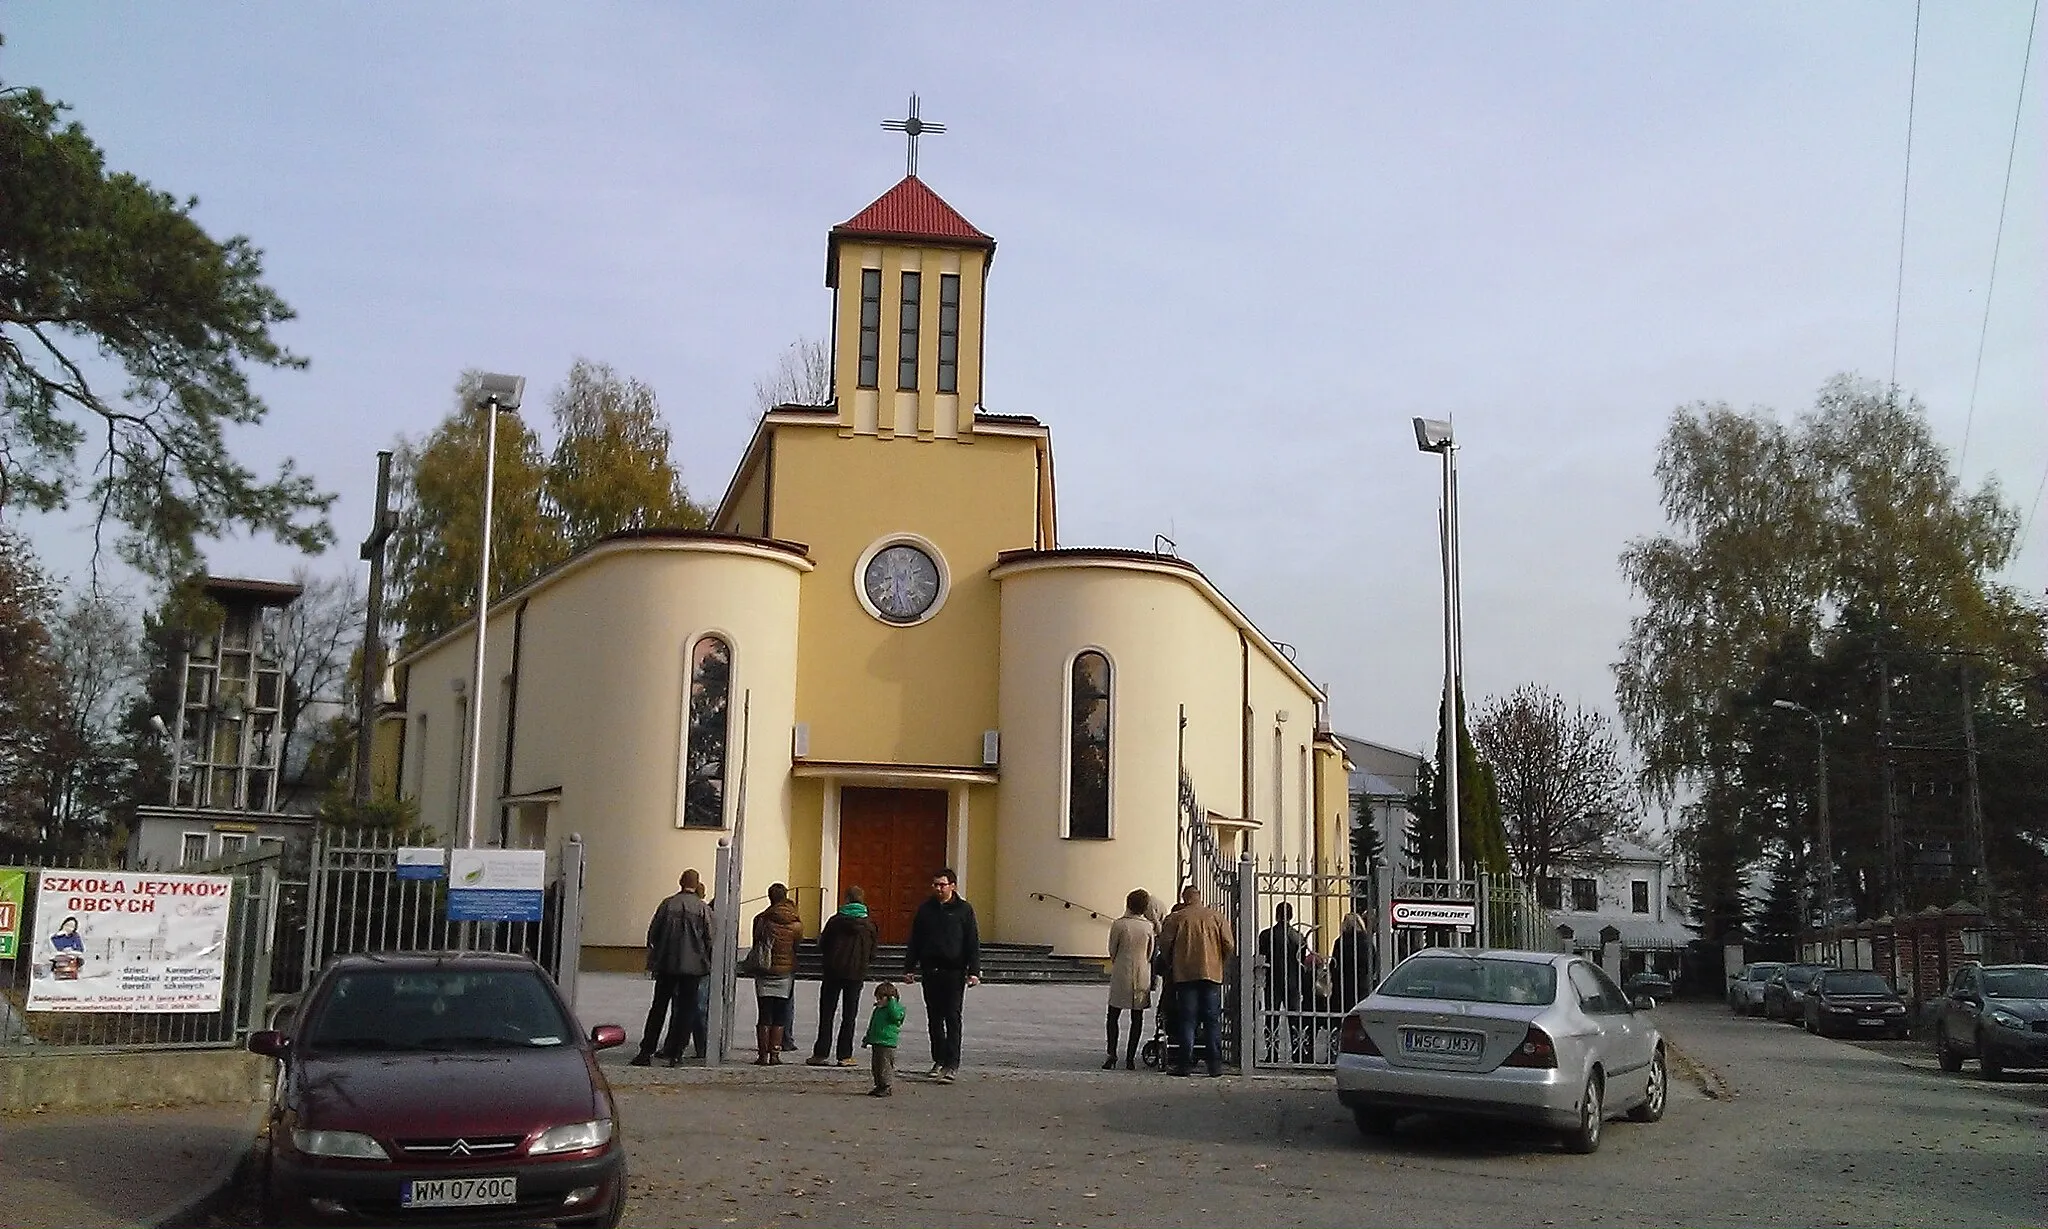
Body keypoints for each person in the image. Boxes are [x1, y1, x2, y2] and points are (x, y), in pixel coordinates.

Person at [903, 866, 979, 1083]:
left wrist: (973, 971)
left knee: (952, 1017)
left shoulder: (964, 910)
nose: (938, 888)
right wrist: (909, 967)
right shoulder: (926, 909)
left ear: (952, 886)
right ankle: (938, 1059)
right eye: (935, 884)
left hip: (954, 972)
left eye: (942, 885)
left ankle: (952, 1064)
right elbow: (915, 940)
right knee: (934, 1019)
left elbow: (972, 941)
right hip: (930, 970)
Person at [632, 871, 712, 1067]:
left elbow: (653, 934)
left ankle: (646, 1051)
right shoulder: (702, 909)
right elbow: (710, 938)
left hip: (666, 964)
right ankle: (676, 1053)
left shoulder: (667, 905)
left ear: (680, 882)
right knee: (686, 1010)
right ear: (697, 884)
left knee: (658, 1008)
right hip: (693, 968)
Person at [1157, 884, 1234, 1077]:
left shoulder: (1176, 918)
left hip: (1185, 975)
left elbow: (1164, 944)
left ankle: (1184, 1064)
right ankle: (1215, 1066)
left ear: (1184, 898)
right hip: (1212, 974)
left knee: (1187, 1020)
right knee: (1212, 1020)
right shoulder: (1216, 917)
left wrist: (1171, 962)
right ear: (1200, 897)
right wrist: (1219, 960)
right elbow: (1229, 944)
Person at [808, 885, 878, 1067]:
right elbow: (873, 951)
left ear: (846, 899)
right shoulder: (869, 924)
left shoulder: (835, 921)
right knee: (849, 1015)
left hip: (833, 972)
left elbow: (823, 944)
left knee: (827, 1014)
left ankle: (821, 1053)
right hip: (856, 975)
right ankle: (845, 1055)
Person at [751, 882, 804, 1065]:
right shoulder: (796, 923)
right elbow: (796, 946)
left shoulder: (761, 920)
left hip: (764, 970)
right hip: (785, 972)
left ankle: (762, 1055)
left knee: (764, 1014)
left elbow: (756, 942)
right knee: (780, 1014)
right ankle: (775, 1054)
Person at [1105, 889, 1155, 1070]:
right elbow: (1150, 953)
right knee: (1137, 1016)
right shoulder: (1148, 927)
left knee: (1113, 1015)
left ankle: (1112, 1054)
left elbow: (1112, 950)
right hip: (1141, 972)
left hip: (1121, 972)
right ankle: (1130, 1058)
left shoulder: (1119, 924)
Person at [1258, 902, 1313, 1062]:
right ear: (1291, 916)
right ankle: (1298, 1053)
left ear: (1276, 915)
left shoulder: (1266, 935)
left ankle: (1272, 1053)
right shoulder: (1298, 937)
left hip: (1274, 980)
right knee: (1294, 1018)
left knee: (1271, 1017)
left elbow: (1262, 957)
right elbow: (1301, 961)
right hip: (1293, 981)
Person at [863, 980, 907, 1097]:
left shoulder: (895, 1009)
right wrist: (867, 1038)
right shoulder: (878, 1010)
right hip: (877, 1041)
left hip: (887, 1043)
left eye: (881, 998)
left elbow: (895, 1016)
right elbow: (872, 1024)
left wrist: (892, 1002)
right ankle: (879, 1085)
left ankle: (886, 1086)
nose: (878, 1001)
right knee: (876, 1066)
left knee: (885, 1066)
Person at [1326, 911, 1374, 1015]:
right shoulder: (1367, 941)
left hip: (1343, 983)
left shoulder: (1341, 941)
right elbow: (1373, 961)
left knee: (1343, 1012)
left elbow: (1334, 963)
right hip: (1362, 982)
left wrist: (1333, 976)